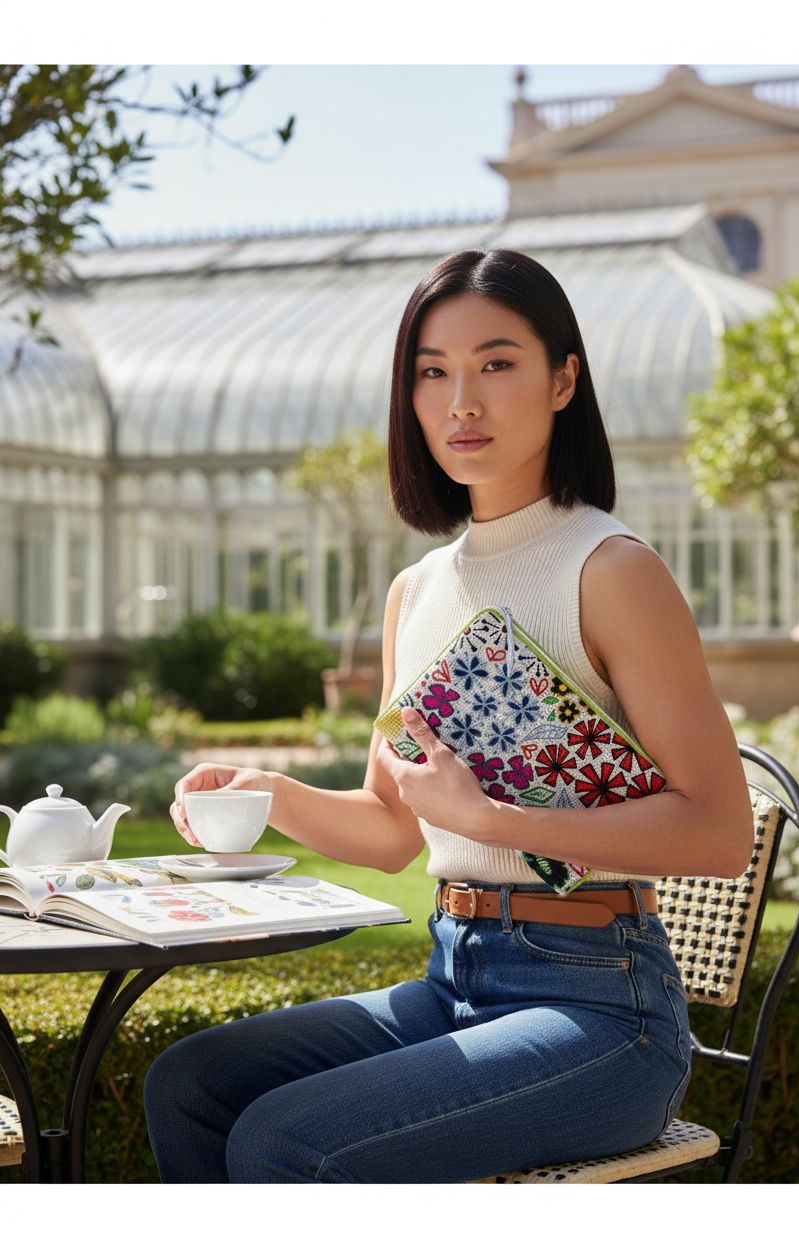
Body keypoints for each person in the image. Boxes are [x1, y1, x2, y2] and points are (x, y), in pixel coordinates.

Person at [143, 247, 755, 1184]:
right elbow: (394, 830)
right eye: (433, 372)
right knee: (189, 1084)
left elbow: (719, 831)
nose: (460, 401)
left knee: (283, 1143)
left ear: (562, 381)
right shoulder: (415, 591)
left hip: (602, 1010)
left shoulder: (612, 568)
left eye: (496, 364)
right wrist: (270, 791)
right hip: (452, 977)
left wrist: (495, 821)